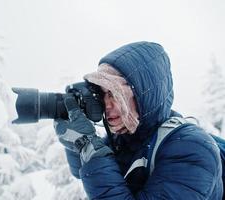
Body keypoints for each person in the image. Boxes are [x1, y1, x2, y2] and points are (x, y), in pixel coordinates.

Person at [54, 41, 223, 199]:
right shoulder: (124, 139)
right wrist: (77, 143)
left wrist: (90, 148)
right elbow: (82, 172)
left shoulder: (191, 149)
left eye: (114, 93)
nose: (106, 105)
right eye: (102, 94)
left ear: (144, 96)